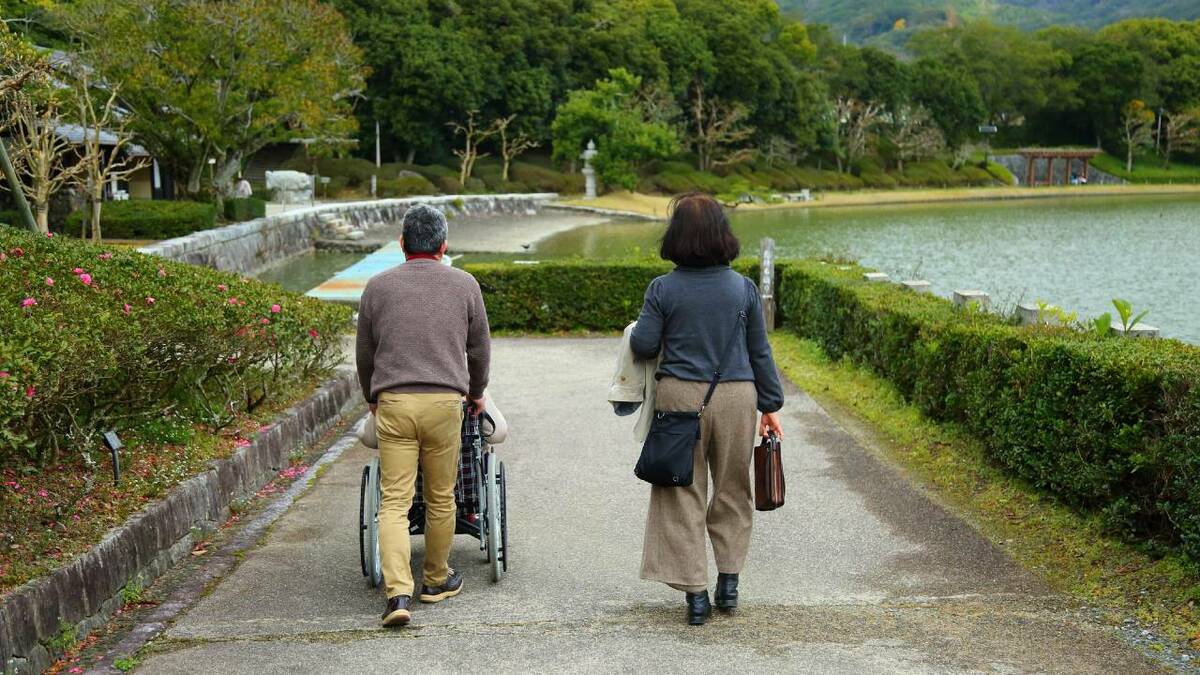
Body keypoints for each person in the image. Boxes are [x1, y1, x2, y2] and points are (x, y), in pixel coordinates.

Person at [630, 192, 785, 626]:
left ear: (676, 235)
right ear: (722, 233)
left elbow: (643, 344)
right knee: (734, 488)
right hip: (737, 398)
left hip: (679, 397)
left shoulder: (663, 288)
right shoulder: (743, 288)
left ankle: (696, 596)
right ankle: (729, 584)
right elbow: (761, 352)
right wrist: (770, 406)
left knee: (681, 490)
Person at [355, 204, 491, 628]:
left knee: (394, 500)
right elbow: (479, 349)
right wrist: (477, 393)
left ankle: (398, 592)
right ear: (444, 246)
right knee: (441, 495)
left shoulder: (377, 288)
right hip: (444, 403)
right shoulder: (465, 284)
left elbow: (364, 353)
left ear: (401, 244)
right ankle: (435, 578)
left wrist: (371, 397)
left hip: (394, 401)